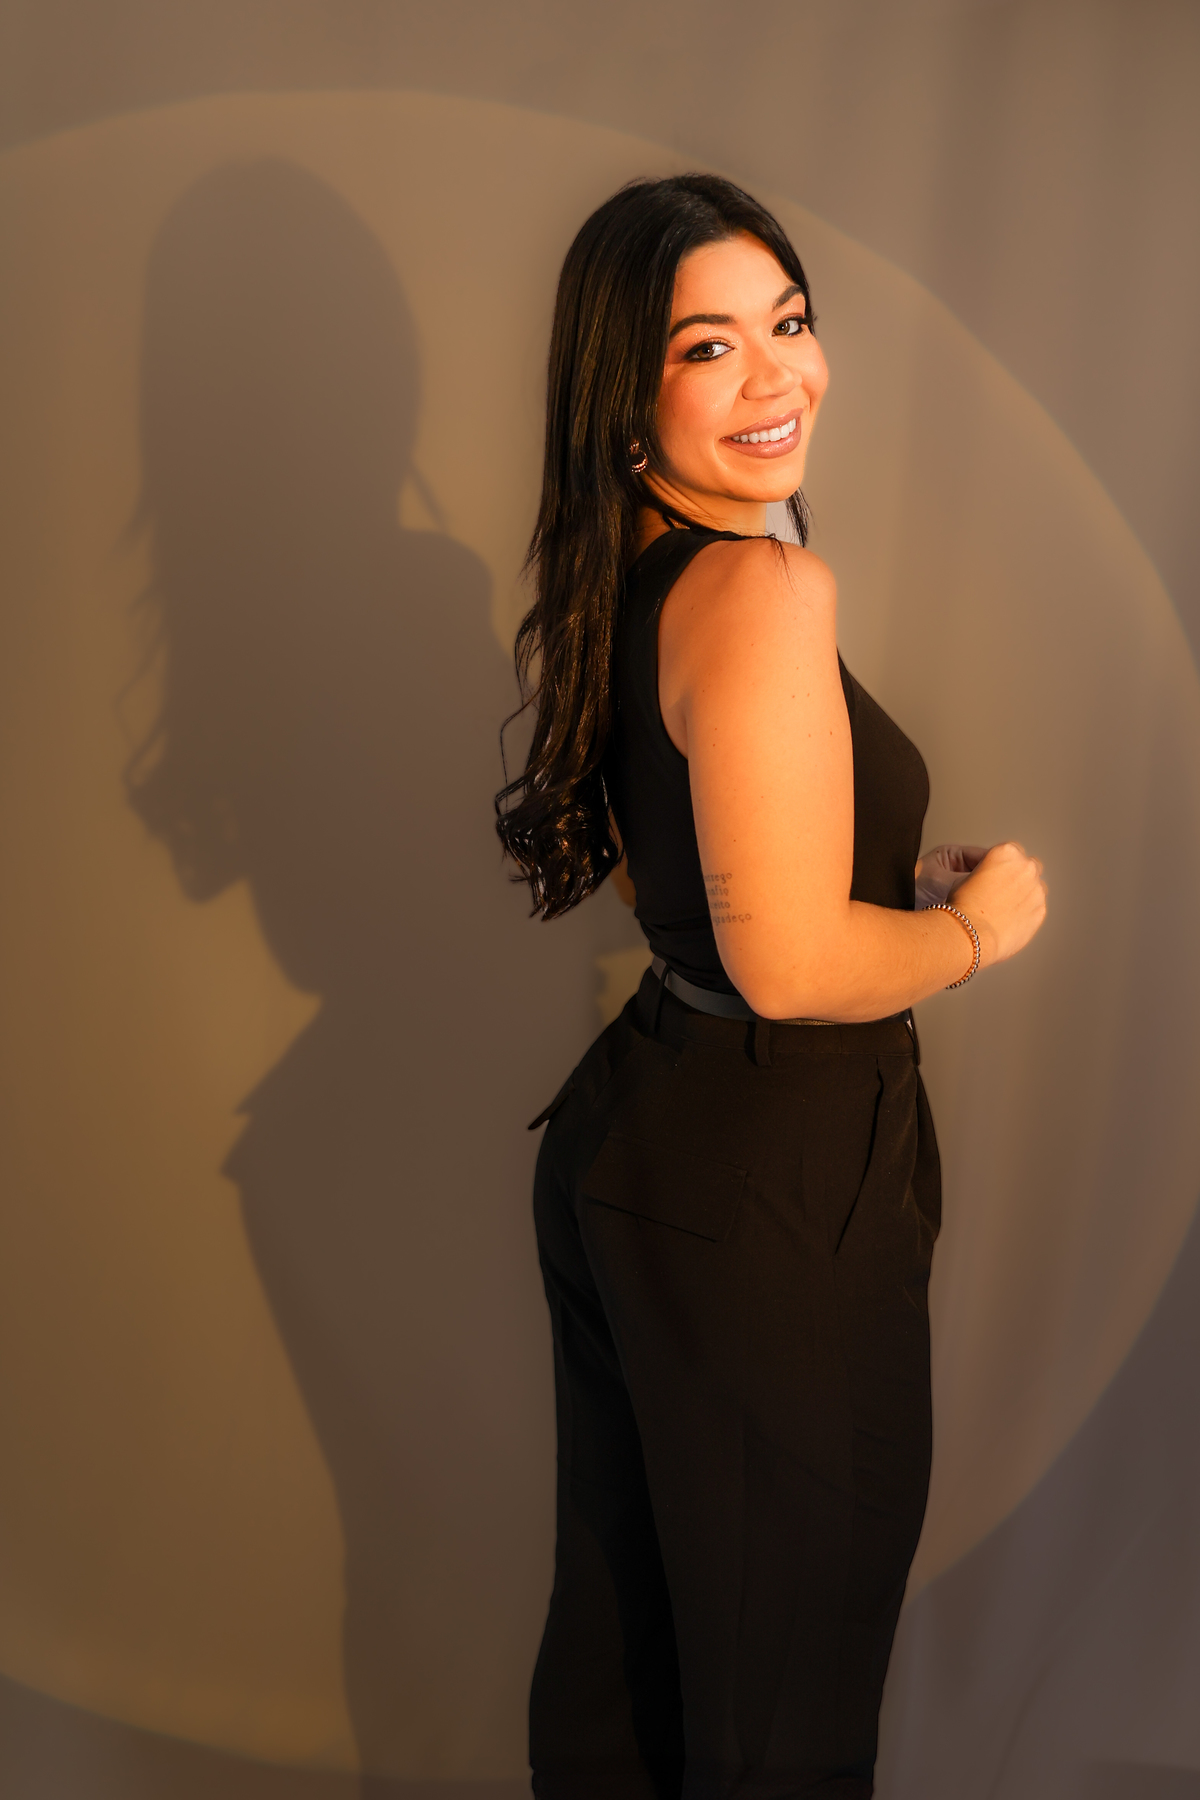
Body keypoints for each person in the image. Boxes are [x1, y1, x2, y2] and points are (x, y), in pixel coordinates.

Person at [496, 173, 1046, 1800]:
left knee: (633, 1658)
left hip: (644, 1138)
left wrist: (877, 878)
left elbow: (663, 865)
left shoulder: (631, 559)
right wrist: (975, 931)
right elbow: (791, 962)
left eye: (788, 323)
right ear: (631, 393)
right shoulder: (763, 586)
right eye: (708, 347)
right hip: (771, 1185)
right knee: (783, 1691)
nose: (775, 376)